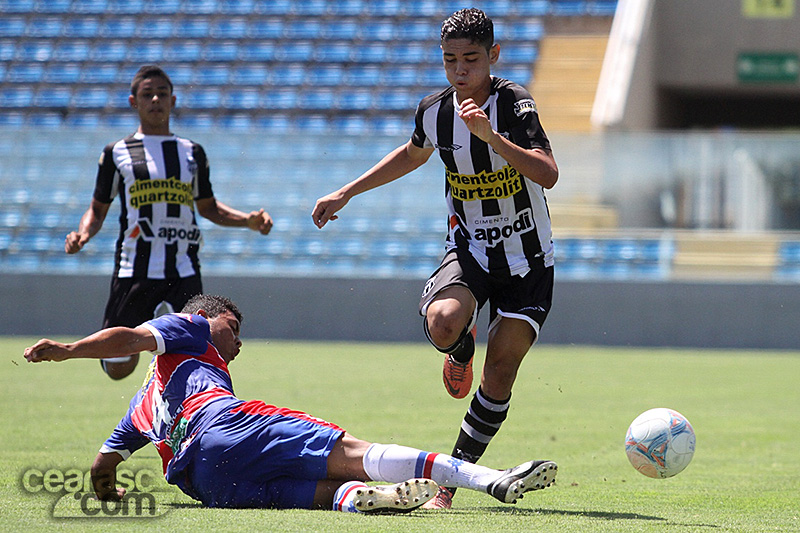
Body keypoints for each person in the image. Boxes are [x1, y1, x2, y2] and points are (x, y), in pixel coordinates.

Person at [312, 8, 558, 509]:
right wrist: (346, 192)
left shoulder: (514, 103)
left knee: (502, 372)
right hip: (470, 250)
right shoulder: (434, 109)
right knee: (444, 323)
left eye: (471, 58)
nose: (460, 69)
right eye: (450, 60)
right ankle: (461, 350)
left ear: (493, 56)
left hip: (528, 258)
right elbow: (412, 152)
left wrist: (492, 138)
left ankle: (447, 485)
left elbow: (548, 173)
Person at [23, 294, 557, 512]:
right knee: (354, 449)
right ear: (210, 316)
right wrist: (70, 350)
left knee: (323, 493)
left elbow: (101, 468)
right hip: (224, 427)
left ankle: (372, 498)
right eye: (234, 327)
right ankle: (491, 480)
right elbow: (133, 339)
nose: (237, 340)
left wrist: (110, 491)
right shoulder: (191, 328)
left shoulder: (141, 406)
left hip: (209, 486)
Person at [65, 65, 273, 381]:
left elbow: (208, 207)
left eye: (162, 93)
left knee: (198, 354)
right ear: (134, 102)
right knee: (118, 369)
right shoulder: (117, 153)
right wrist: (82, 234)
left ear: (173, 101)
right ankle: (159, 335)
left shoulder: (191, 152)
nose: (156, 100)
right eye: (148, 94)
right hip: (135, 267)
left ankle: (180, 399)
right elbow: (97, 209)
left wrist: (248, 221)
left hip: (184, 268)